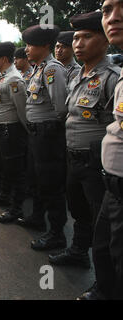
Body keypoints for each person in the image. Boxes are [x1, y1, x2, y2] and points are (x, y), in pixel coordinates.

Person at [49, 11, 120, 271]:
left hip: (96, 163)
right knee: (78, 210)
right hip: (73, 157)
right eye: (76, 38)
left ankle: (107, 279)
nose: (78, 44)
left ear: (105, 42)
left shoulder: (112, 77)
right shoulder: (76, 76)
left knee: (105, 222)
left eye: (87, 37)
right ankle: (78, 251)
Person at [79, 0, 123, 299]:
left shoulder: (110, 75)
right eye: (107, 9)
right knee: (105, 248)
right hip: (112, 182)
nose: (113, 17)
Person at [18, 24, 69, 251]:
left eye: (30, 44)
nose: (26, 49)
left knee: (52, 185)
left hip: (49, 134)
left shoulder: (52, 69)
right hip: (38, 134)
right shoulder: (39, 69)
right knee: (38, 179)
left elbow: (60, 108)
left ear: (45, 46)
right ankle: (38, 218)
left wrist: (48, 131)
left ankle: (56, 234)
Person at [0, 43, 28, 223]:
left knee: (15, 171)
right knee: (4, 167)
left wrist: (26, 133)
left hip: (10, 131)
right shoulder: (3, 77)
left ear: (4, 59)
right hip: (1, 130)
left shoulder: (14, 79)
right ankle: (4, 196)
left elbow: (22, 110)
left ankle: (16, 208)